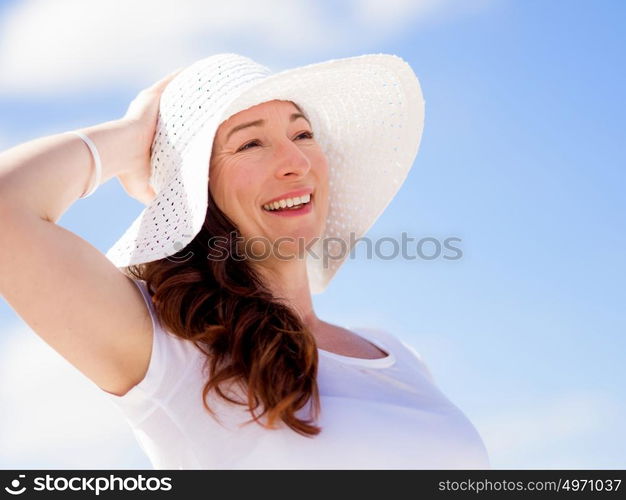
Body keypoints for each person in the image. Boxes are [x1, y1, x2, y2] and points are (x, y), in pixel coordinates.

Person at [0, 53, 490, 469]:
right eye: (251, 143)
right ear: (199, 192)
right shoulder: (168, 350)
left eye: (302, 134)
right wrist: (134, 138)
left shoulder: (395, 352)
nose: (294, 161)